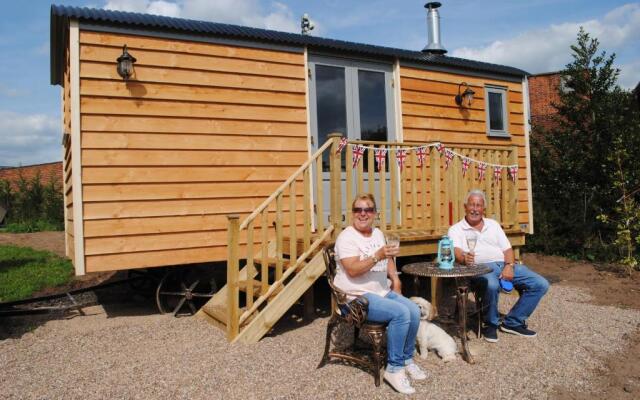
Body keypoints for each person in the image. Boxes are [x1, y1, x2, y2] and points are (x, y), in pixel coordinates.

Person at [334, 193, 426, 395]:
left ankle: (406, 358)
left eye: (368, 209)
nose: (363, 214)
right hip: (354, 297)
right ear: (352, 213)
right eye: (358, 209)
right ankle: (394, 369)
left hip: (380, 291)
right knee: (400, 314)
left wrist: (396, 279)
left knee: (413, 310)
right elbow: (352, 270)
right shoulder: (346, 237)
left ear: (375, 213)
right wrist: (377, 256)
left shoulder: (377, 233)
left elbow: (389, 259)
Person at [448, 189, 549, 343]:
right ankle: (491, 324)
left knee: (540, 284)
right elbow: (457, 252)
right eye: (471, 205)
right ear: (465, 207)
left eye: (479, 205)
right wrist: (464, 258)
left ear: (484, 209)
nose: (475, 209)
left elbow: (507, 249)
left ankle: (513, 322)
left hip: (503, 264)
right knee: (492, 284)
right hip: (478, 267)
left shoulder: (493, 225)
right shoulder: (456, 229)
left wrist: (509, 265)